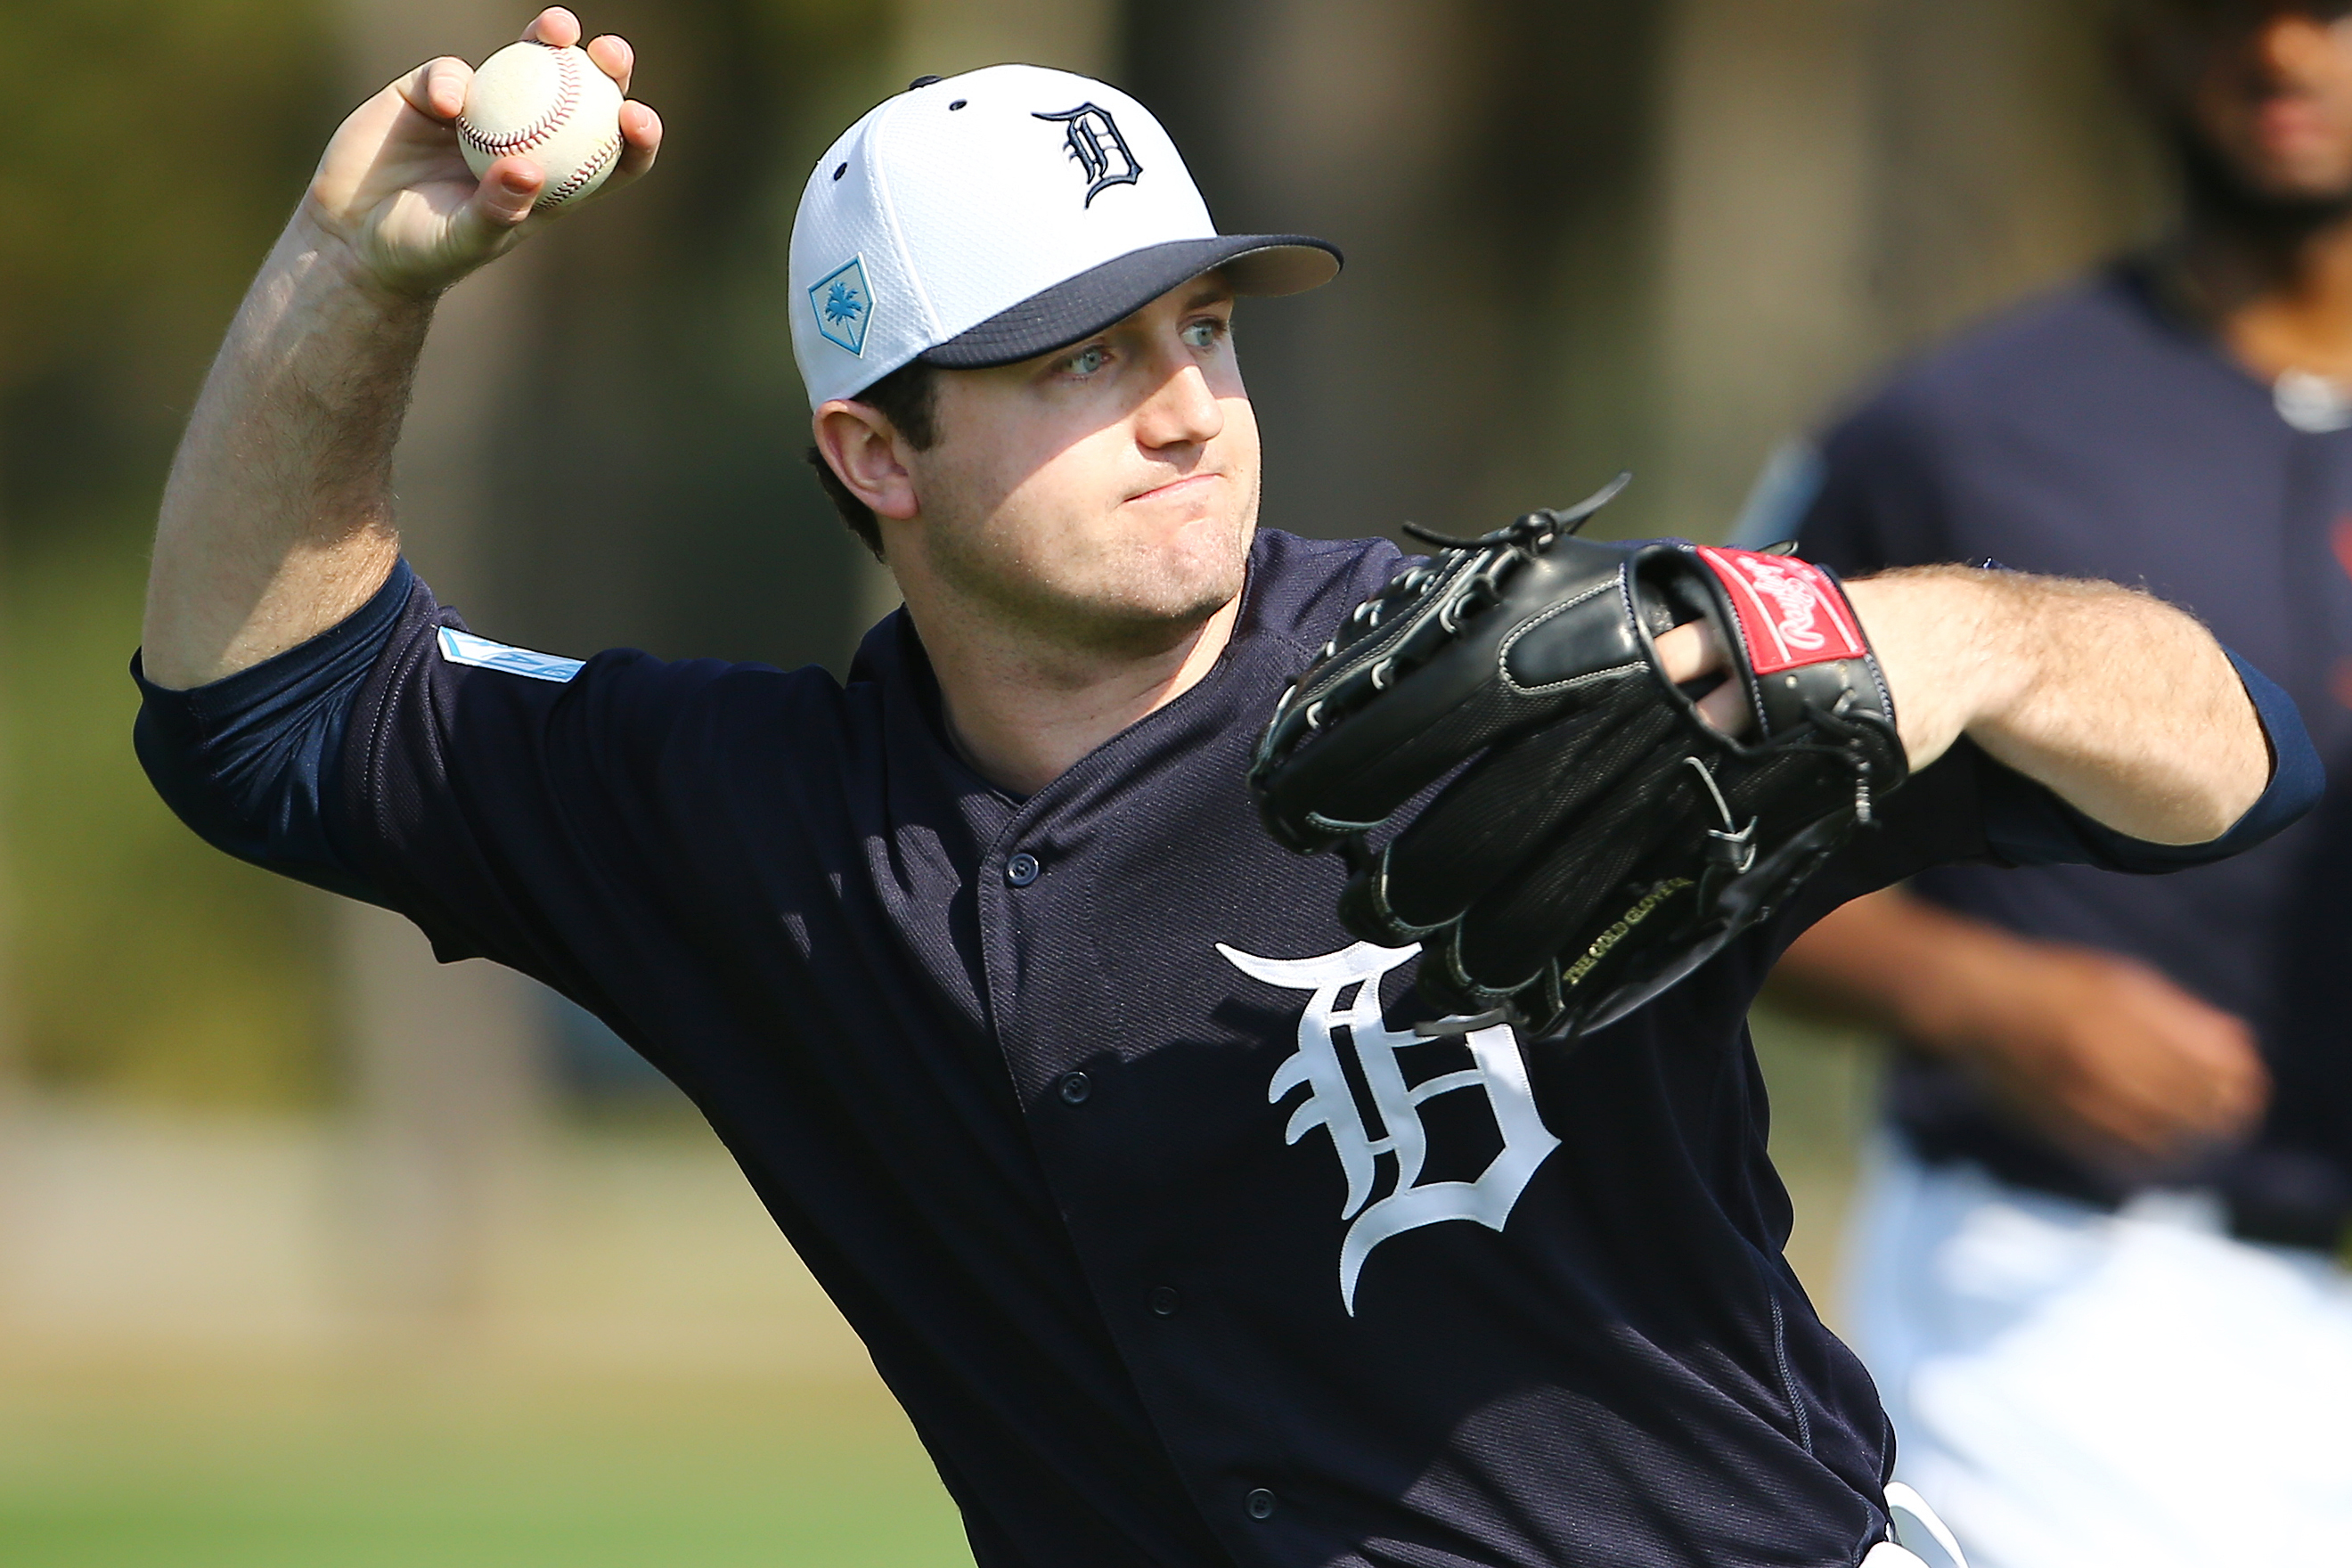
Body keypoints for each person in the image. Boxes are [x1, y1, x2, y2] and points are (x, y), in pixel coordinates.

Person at [135, 10, 2314, 1566]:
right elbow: (260, 705)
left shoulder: (1513, 675)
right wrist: (354, 275)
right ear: (872, 454)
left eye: (1204, 327)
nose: (1184, 404)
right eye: (1083, 355)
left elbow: (2240, 762)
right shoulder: (753, 818)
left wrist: (1946, 640)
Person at [1760, 3, 2352, 1564]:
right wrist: (1984, 996)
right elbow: (1684, 842)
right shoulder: (1955, 431)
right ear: (2137, 43)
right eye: (2232, 8)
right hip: (2080, 1325)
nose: (2284, 52)